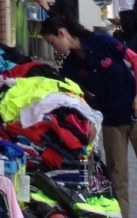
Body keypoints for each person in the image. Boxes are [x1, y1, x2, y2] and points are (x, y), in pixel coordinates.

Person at [41, 17, 137, 213]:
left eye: (52, 42)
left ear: (61, 33)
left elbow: (134, 59)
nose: (54, 48)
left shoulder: (102, 41)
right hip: (111, 123)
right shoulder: (71, 66)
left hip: (135, 113)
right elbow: (73, 96)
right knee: (118, 180)